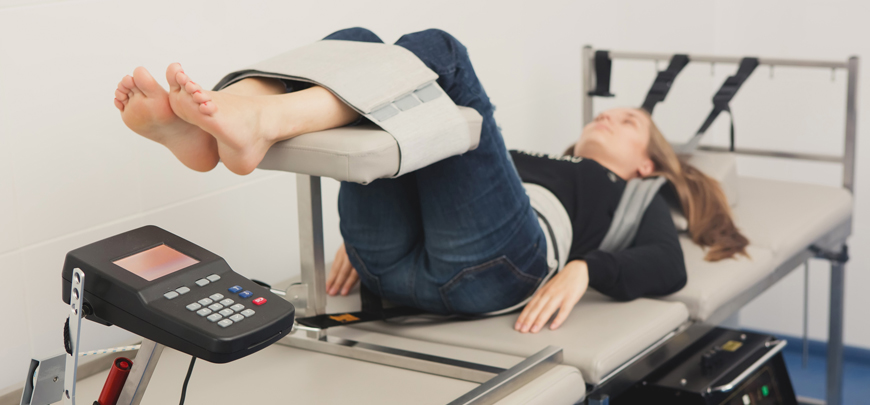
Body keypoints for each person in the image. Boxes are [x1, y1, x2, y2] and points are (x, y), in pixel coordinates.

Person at [114, 28, 748, 334]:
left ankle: (254, 118)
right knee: (359, 45)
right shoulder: (520, 155)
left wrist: (586, 269)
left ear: (648, 163)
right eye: (609, 110)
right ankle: (236, 119)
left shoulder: (632, 193)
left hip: (502, 267)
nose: (608, 114)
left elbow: (670, 267)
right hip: (390, 263)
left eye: (628, 120)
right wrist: (364, 242)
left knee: (437, 51)